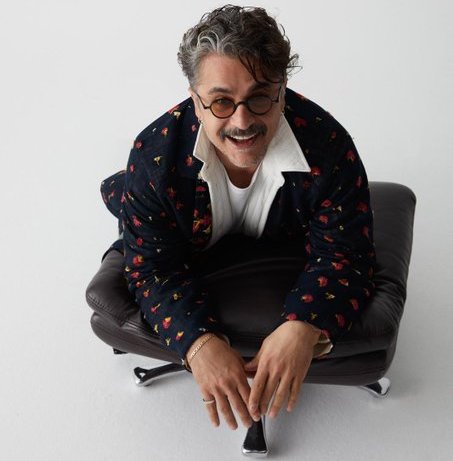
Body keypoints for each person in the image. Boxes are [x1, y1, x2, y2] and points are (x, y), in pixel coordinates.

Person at [102, 4, 376, 431]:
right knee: (130, 201)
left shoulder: (329, 145)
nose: (242, 121)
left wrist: (304, 326)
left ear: (282, 91)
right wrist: (198, 343)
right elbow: (153, 269)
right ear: (195, 101)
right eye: (221, 102)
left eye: (260, 96)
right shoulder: (153, 157)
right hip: (181, 221)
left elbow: (347, 256)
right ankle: (123, 191)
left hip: (282, 229)